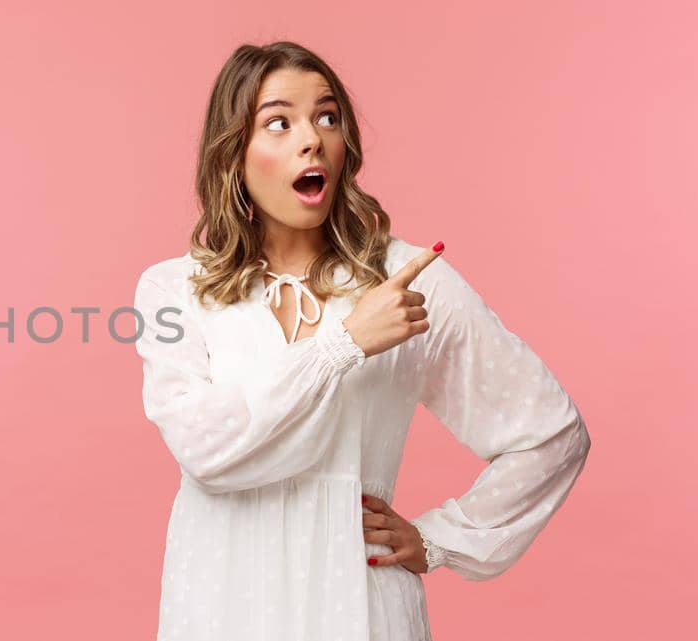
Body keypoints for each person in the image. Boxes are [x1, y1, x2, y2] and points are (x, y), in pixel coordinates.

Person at [132, 41, 592, 641]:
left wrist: (440, 540)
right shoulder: (176, 289)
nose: (312, 139)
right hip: (222, 601)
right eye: (280, 122)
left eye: (328, 117)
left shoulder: (404, 281)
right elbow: (206, 453)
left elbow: (551, 434)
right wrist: (344, 344)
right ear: (233, 153)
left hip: (359, 602)